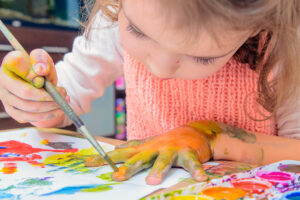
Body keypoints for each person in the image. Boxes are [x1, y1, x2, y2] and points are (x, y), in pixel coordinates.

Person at [0, 0, 300, 185]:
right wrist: (36, 95)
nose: (160, 69)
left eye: (203, 57)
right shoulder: (116, 17)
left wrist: (211, 137)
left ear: (255, 27)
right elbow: (67, 97)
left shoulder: (284, 50)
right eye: (139, 32)